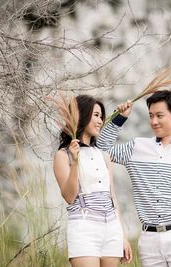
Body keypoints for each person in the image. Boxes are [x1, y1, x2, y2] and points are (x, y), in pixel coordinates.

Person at [97, 90, 171, 267]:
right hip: (148, 239)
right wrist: (119, 118)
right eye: (151, 115)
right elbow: (100, 151)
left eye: (159, 115)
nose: (153, 121)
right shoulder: (135, 147)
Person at [53, 94, 133, 267]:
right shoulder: (63, 155)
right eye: (96, 115)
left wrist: (122, 235)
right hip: (84, 228)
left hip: (111, 228)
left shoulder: (103, 155)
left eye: (101, 116)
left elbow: (112, 197)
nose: (100, 121)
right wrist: (75, 161)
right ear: (82, 115)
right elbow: (69, 196)